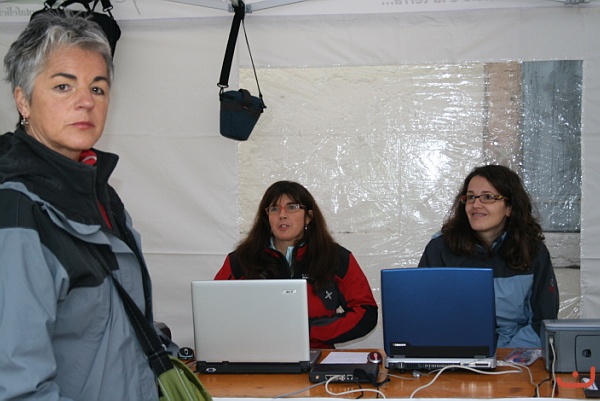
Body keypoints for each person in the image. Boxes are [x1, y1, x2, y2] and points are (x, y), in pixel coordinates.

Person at [0, 12, 160, 400]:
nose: (86, 102)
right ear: (23, 100)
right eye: (63, 86)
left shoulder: (101, 194)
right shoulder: (16, 208)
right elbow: (18, 386)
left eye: (98, 88)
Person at [215, 180, 378, 349]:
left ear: (308, 217)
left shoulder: (335, 257)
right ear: (267, 218)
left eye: (292, 207)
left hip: (316, 354)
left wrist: (309, 330)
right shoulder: (241, 259)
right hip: (255, 354)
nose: (282, 215)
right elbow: (214, 310)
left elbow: (366, 312)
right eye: (274, 209)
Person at [418, 165, 559, 348]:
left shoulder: (534, 251)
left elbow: (544, 320)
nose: (476, 204)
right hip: (457, 351)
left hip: (517, 354)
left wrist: (508, 356)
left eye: (488, 197)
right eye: (470, 197)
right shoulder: (440, 249)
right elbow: (424, 313)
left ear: (509, 207)